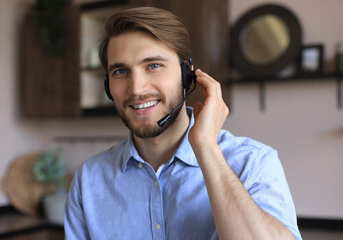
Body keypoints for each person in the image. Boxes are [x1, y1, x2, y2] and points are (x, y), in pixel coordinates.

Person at [64, 6, 302, 240]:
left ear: (187, 74)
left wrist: (206, 147)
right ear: (108, 87)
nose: (136, 88)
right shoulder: (89, 180)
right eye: (120, 71)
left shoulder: (253, 163)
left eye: (153, 65)